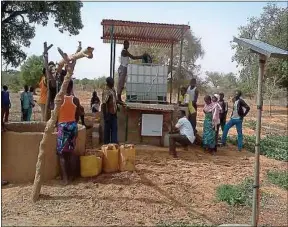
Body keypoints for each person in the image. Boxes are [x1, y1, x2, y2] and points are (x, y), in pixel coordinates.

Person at [57, 80, 82, 185]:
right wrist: (73, 125)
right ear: (71, 87)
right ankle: (72, 177)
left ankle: (65, 179)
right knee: (71, 152)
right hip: (72, 126)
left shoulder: (59, 99)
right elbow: (78, 115)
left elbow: (54, 113)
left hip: (63, 127)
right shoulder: (75, 100)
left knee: (62, 154)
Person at [102, 77, 118, 144]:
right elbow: (104, 104)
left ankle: (114, 143)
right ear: (108, 83)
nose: (113, 84)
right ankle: (107, 144)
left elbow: (114, 100)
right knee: (107, 130)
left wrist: (117, 107)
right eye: (112, 83)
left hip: (114, 113)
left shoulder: (113, 89)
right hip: (108, 113)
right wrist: (105, 116)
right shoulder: (106, 91)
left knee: (114, 129)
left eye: (113, 83)